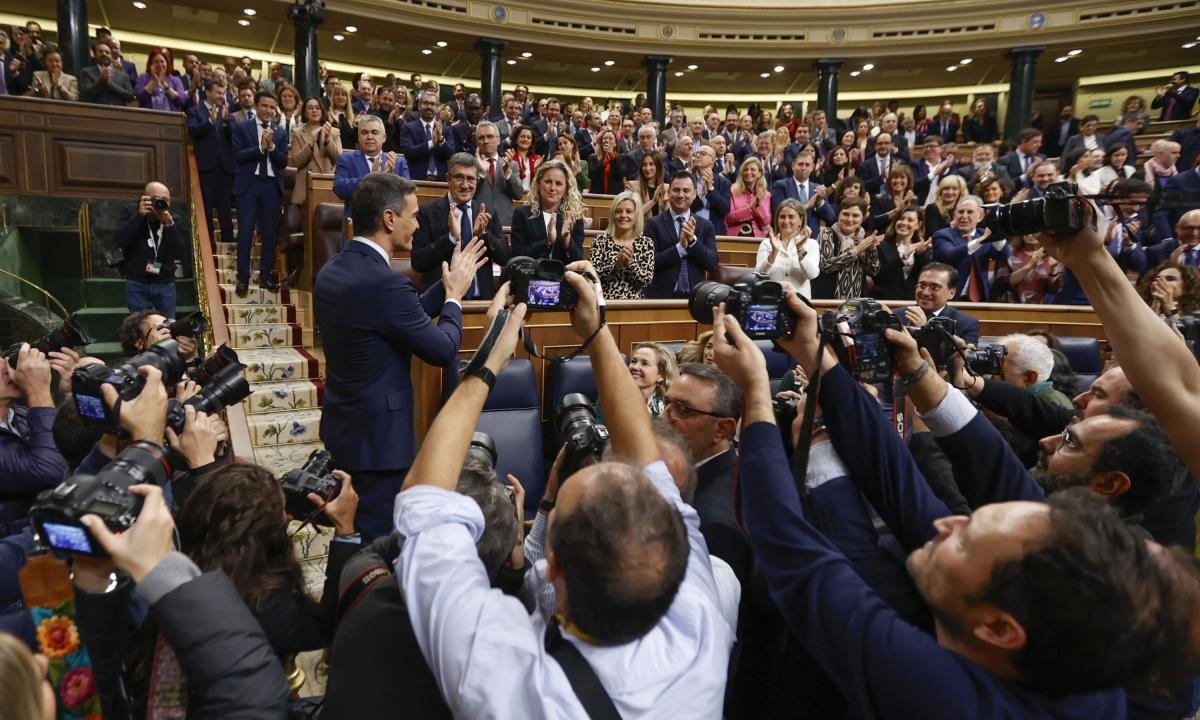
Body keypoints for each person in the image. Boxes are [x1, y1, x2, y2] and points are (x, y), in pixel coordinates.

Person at [709, 292, 1200, 720]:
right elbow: (900, 484)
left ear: (998, 629)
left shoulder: (947, 699)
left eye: (964, 535)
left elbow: (793, 552)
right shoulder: (1048, 610)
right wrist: (820, 359)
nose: (944, 522)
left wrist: (754, 394)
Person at [394, 273, 734, 717]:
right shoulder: (702, 625)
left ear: (551, 566)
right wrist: (595, 332)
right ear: (678, 554)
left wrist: (490, 357)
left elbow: (423, 500)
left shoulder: (506, 678)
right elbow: (642, 454)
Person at [315, 173, 485, 540]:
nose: (419, 223)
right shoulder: (385, 283)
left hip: (344, 430)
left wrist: (446, 283)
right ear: (389, 219)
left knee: (347, 535)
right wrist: (455, 298)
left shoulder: (332, 271)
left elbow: (399, 318)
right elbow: (442, 349)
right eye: (414, 213)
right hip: (380, 446)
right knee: (372, 551)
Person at [411, 153, 508, 299]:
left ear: (477, 181)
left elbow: (504, 257)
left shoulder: (488, 213)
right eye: (459, 177)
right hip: (440, 302)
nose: (465, 185)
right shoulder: (426, 212)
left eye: (470, 179)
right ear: (448, 179)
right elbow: (418, 262)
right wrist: (451, 238)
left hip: (481, 303)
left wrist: (483, 235)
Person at [0, 343, 66, 538]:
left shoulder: (21, 415)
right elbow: (52, 474)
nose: (5, 364)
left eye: (2, 356)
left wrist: (72, 396)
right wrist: (39, 391)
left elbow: (74, 457)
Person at [231, 90, 288, 296]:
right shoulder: (242, 127)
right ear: (256, 106)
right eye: (265, 106)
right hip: (249, 185)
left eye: (273, 107)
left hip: (272, 186)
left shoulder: (280, 132)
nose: (269, 110)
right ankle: (243, 278)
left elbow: (283, 162)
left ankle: (265, 277)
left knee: (269, 235)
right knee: (245, 234)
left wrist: (271, 147)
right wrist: (260, 148)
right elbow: (237, 155)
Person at [114, 182, 187, 318]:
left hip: (165, 283)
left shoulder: (174, 219)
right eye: (156, 199)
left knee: (167, 328)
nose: (161, 203)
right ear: (145, 198)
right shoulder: (131, 212)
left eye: (165, 200)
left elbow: (180, 252)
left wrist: (169, 225)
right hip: (137, 283)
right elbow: (120, 240)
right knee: (141, 328)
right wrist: (139, 216)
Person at [645, 171, 719, 299]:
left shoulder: (705, 226)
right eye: (676, 190)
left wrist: (693, 242)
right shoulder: (653, 224)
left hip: (695, 299)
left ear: (695, 194)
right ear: (668, 193)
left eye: (686, 190)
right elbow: (649, 263)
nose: (680, 195)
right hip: (661, 298)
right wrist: (679, 248)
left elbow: (712, 264)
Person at [186, 78, 236, 243]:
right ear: (207, 92)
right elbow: (193, 131)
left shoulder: (227, 111)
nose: (222, 96)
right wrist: (210, 122)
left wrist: (228, 121)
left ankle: (228, 238)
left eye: (223, 93)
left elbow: (234, 137)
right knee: (206, 205)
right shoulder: (195, 111)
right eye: (218, 92)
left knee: (225, 205)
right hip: (206, 165)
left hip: (225, 166)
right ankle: (208, 241)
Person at [932, 196, 1008, 302]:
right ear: (954, 215)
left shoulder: (983, 234)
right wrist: (979, 241)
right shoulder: (942, 235)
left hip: (981, 301)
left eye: (970, 212)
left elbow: (1003, 257)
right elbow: (948, 255)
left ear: (980, 217)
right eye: (961, 212)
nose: (964, 216)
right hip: (950, 299)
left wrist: (998, 236)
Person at [333, 114, 411, 217]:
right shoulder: (345, 159)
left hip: (389, 225)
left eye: (374, 132)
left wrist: (390, 178)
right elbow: (339, 189)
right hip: (357, 225)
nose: (370, 137)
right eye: (364, 133)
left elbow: (408, 194)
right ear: (358, 138)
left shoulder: (398, 162)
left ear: (384, 138)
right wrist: (371, 177)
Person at [509, 159, 586, 263]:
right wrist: (548, 241)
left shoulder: (573, 218)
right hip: (531, 275)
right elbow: (518, 256)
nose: (552, 188)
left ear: (566, 190)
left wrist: (567, 239)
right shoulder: (522, 214)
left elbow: (578, 260)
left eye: (558, 184)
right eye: (548, 182)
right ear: (539, 184)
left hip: (564, 276)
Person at [890, 262, 981, 345]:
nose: (925, 293)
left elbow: (964, 360)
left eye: (935, 287)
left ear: (951, 293)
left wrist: (926, 330)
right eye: (922, 285)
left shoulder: (966, 324)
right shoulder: (896, 315)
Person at [588, 191, 655, 299]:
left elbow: (646, 280)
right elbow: (592, 276)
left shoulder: (646, 243)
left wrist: (631, 263)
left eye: (629, 211)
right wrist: (616, 264)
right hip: (603, 302)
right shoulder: (600, 240)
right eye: (618, 211)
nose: (623, 215)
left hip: (635, 306)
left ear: (636, 215)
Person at [755, 198, 820, 298]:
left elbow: (812, 274)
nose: (786, 221)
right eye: (782, 217)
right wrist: (773, 253)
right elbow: (758, 275)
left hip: (800, 302)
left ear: (801, 220)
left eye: (791, 217)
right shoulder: (767, 244)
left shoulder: (811, 244)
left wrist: (800, 250)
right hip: (772, 300)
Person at [818, 197, 881, 299]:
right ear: (838, 215)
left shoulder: (864, 238)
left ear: (862, 218)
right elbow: (826, 266)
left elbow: (873, 271)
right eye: (845, 214)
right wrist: (857, 250)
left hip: (857, 301)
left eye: (855, 215)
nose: (850, 219)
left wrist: (871, 250)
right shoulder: (827, 233)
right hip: (829, 300)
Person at [288, 96, 342, 207]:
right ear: (304, 112)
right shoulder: (297, 132)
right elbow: (297, 162)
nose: (314, 110)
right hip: (304, 190)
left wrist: (327, 140)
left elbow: (340, 160)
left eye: (317, 108)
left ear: (322, 111)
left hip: (327, 187)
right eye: (310, 108)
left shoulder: (334, 132)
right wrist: (312, 142)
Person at [873, 206, 933, 301]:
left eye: (910, 220)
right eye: (901, 219)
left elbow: (925, 278)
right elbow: (879, 276)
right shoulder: (881, 246)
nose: (904, 223)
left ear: (918, 225)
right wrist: (903, 257)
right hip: (885, 300)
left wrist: (920, 256)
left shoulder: (922, 248)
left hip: (912, 302)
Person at [473, 120, 526, 227]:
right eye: (481, 138)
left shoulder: (512, 165)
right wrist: (482, 175)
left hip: (505, 223)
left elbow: (519, 195)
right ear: (477, 142)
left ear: (498, 140)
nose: (486, 141)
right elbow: (468, 195)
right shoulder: (470, 165)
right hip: (478, 223)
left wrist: (507, 173)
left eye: (490, 136)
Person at [770, 151, 835, 236]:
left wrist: (820, 203)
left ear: (812, 167)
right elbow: (777, 213)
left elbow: (831, 218)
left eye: (807, 165)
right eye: (800, 164)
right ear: (793, 166)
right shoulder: (781, 185)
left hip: (812, 240)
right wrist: (808, 205)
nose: (803, 168)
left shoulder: (818, 189)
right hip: (788, 238)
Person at [1002, 234, 1059, 304]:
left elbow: (1054, 290)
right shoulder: (1010, 253)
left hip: (1041, 309)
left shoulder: (1050, 255)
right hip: (1012, 308)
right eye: (1027, 232)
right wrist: (1029, 267)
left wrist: (1054, 268)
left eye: (1034, 232)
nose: (1030, 235)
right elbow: (1002, 284)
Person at [725, 156, 771, 237]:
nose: (748, 172)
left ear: (760, 173)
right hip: (735, 236)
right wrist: (749, 209)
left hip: (757, 238)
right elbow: (728, 218)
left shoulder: (765, 194)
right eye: (745, 170)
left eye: (752, 169)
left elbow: (766, 223)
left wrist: (759, 205)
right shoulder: (732, 190)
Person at [78, 40, 134, 106]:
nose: (104, 54)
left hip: (118, 114)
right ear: (95, 55)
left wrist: (111, 84)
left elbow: (130, 97)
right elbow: (84, 96)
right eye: (100, 51)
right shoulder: (86, 72)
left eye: (107, 52)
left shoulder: (123, 75)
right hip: (94, 113)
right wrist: (102, 81)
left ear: (111, 56)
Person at [628, 150, 667, 219]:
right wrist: (653, 201)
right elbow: (631, 214)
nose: (647, 168)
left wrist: (666, 205)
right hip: (642, 228)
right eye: (644, 165)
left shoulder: (667, 188)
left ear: (658, 166)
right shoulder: (632, 187)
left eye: (651, 164)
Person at [587, 129, 624, 195]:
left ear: (615, 143)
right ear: (601, 142)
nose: (607, 140)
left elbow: (620, 175)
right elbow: (592, 175)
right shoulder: (593, 158)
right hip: (597, 195)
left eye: (610, 139)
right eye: (605, 138)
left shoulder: (621, 158)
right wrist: (604, 163)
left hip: (615, 196)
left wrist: (612, 156)